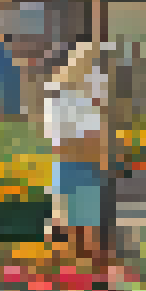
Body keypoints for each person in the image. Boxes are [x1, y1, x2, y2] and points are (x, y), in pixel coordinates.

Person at [46, 42, 112, 266]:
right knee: (80, 226)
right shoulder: (72, 99)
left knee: (75, 224)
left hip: (74, 166)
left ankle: (80, 272)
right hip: (80, 166)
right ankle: (85, 274)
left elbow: (59, 140)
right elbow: (73, 140)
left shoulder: (62, 96)